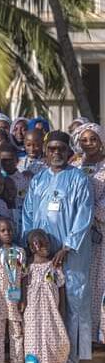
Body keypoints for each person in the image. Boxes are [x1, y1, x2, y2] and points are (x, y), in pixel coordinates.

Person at [21, 130, 93, 363]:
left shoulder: (79, 179)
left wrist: (67, 247)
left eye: (60, 149)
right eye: (51, 148)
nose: (56, 153)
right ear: (45, 151)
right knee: (44, 305)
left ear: (69, 151)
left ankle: (72, 358)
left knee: (73, 301)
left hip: (71, 254)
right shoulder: (38, 180)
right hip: (42, 256)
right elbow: (28, 215)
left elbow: (84, 217)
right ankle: (48, 355)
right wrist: (31, 244)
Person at [70, 123, 105, 343]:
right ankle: (84, 337)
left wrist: (88, 211)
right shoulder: (74, 165)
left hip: (101, 232)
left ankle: (100, 335)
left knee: (100, 283)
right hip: (77, 233)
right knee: (81, 284)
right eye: (84, 140)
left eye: (93, 139)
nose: (89, 144)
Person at [0, 218, 28, 363]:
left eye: (9, 230)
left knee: (16, 332)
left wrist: (23, 298)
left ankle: (17, 362)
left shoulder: (20, 252)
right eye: (3, 231)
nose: (7, 233)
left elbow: (23, 276)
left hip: (15, 299)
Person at [23, 229, 70, 363]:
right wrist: (23, 302)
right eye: (40, 244)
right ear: (32, 248)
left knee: (53, 335)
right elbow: (23, 285)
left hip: (51, 309)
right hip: (33, 308)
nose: (45, 247)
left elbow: (61, 286)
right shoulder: (28, 267)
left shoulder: (54, 265)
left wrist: (62, 307)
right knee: (33, 335)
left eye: (47, 244)